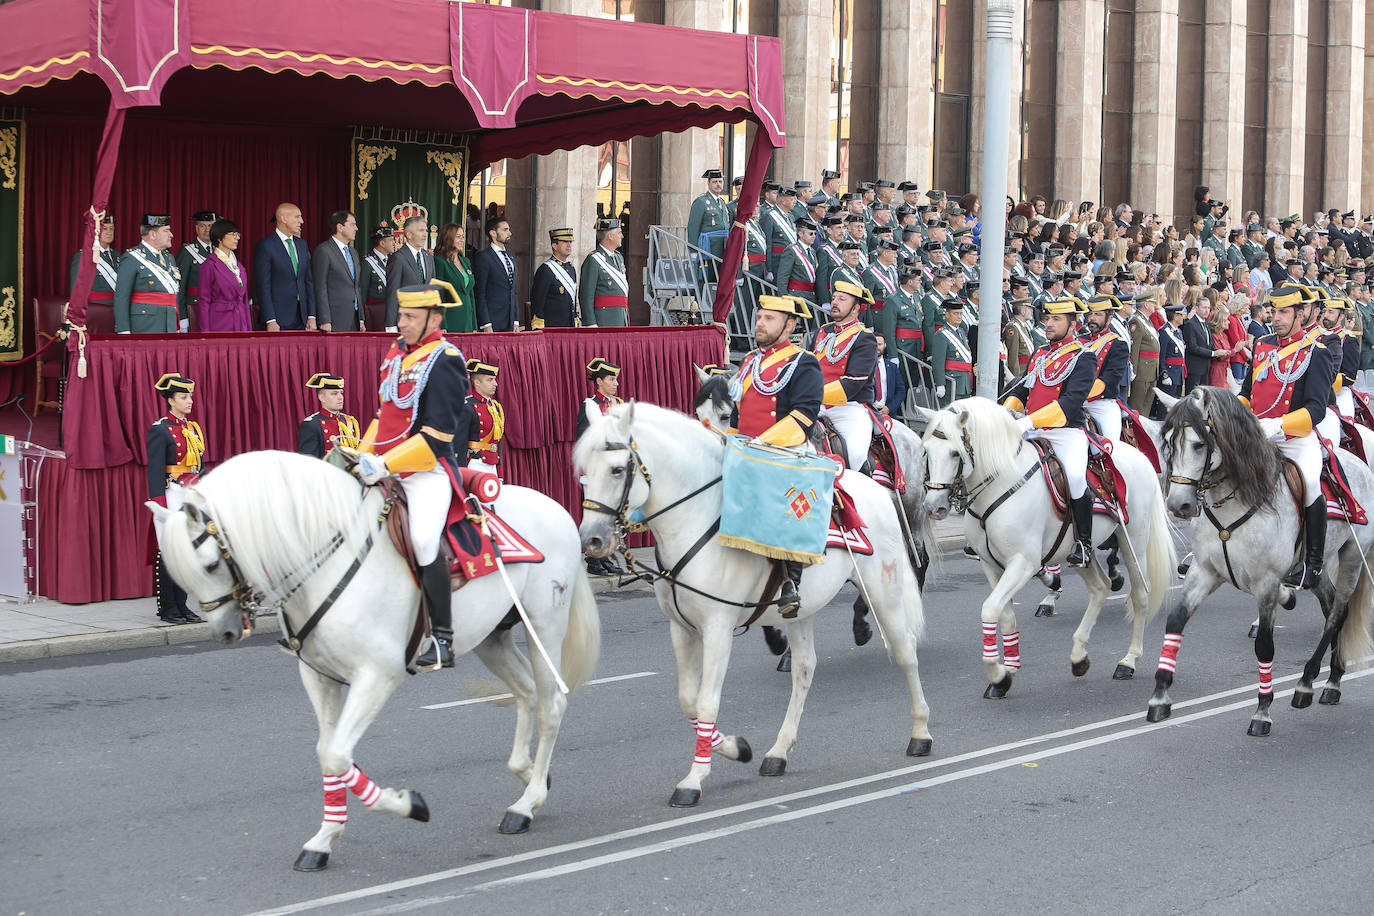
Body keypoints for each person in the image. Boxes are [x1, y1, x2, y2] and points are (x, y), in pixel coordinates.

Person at [353, 281, 469, 669]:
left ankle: (441, 638)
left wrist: (384, 464)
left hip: (425, 470)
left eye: (409, 317)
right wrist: (362, 455)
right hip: (383, 465)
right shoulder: (395, 353)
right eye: (400, 314)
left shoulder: (446, 358)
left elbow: (438, 436)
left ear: (434, 318)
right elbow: (383, 415)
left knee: (422, 540)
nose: (399, 322)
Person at [730, 295, 825, 616]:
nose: (760, 323)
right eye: (760, 317)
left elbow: (804, 416)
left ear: (789, 325)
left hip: (785, 448)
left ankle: (791, 580)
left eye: (769, 319)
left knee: (789, 496)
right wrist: (731, 443)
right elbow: (736, 412)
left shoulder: (803, 362)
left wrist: (762, 445)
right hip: (746, 447)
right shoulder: (749, 362)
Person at [1240, 285, 1335, 588]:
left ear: (1301, 313)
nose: (1275, 318)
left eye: (1283, 312)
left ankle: (1313, 564)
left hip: (1295, 437)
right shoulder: (1262, 346)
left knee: (1309, 483)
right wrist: (1234, 413)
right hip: (1258, 433)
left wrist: (1280, 425)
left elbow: (1317, 409)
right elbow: (1246, 394)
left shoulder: (1315, 352)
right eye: (1273, 311)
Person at [1002, 297, 1098, 567]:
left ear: (1072, 324)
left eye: (1056, 319)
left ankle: (1084, 543)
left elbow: (1069, 404)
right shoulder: (1041, 352)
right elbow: (1022, 388)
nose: (1048, 324)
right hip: (1031, 427)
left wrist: (1028, 422)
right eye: (1047, 319)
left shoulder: (1084, 357)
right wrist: (1007, 413)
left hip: (1065, 432)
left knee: (1076, 477)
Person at [147, 373, 205, 624]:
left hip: (189, 493)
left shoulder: (192, 428)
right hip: (170, 493)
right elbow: (155, 470)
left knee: (187, 551)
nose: (189, 401)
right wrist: (159, 503)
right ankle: (168, 607)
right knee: (169, 550)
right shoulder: (160, 429)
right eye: (183, 397)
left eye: (190, 396)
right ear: (170, 401)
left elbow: (198, 463)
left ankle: (182, 605)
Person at [812, 280, 878, 469]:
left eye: (842, 299)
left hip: (849, 408)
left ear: (856, 307)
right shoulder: (822, 332)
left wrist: (813, 393)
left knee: (855, 455)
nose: (834, 302)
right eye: (833, 298)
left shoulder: (865, 338)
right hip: (815, 403)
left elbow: (853, 382)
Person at [576, 357, 625, 576]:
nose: (616, 384)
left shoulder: (619, 404)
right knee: (595, 515)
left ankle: (605, 555)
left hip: (615, 469)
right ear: (598, 381)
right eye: (611, 379)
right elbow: (600, 432)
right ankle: (593, 558)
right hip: (596, 469)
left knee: (610, 516)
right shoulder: (591, 405)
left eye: (616, 379)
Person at [115, 214, 182, 334]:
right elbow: (121, 298)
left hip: (170, 323)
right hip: (146, 325)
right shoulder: (132, 258)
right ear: (152, 234)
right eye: (166, 231)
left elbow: (173, 294)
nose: (171, 235)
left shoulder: (169, 258)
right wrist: (123, 331)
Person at [253, 203, 316, 331]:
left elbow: (308, 282)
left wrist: (311, 315)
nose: (301, 221)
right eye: (297, 217)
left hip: (302, 316)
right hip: (278, 318)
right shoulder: (266, 246)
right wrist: (270, 319)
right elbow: (263, 286)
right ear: (283, 218)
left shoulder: (302, 244)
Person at [312, 209, 364, 332]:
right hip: (334, 319)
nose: (356, 228)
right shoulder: (324, 251)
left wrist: (361, 318)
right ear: (340, 227)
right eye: (352, 225)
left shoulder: (353, 252)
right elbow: (320, 287)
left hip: (354, 318)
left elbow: (357, 286)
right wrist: (325, 319)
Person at [196, 218, 252, 332]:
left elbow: (244, 301)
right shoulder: (209, 266)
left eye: (237, 234)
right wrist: (205, 332)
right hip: (220, 322)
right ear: (219, 238)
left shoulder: (239, 266)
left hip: (241, 322)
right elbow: (204, 301)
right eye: (233, 234)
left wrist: (248, 329)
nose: (237, 238)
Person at [385, 214, 434, 332]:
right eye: (421, 230)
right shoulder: (398, 258)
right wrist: (391, 326)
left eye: (426, 230)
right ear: (409, 235)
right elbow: (393, 293)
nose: (425, 234)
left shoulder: (428, 257)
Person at [578, 218, 631, 328]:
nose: (622, 236)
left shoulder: (619, 257)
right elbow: (586, 296)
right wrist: (590, 324)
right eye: (619, 233)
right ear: (610, 236)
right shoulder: (593, 260)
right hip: (603, 321)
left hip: (620, 319)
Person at [473, 216, 521, 332]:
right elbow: (480, 293)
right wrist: (485, 323)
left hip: (510, 323)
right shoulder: (483, 257)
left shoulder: (511, 256)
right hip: (492, 322)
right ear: (493, 233)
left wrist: (515, 321)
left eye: (508, 229)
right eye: (505, 230)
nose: (510, 233)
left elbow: (513, 291)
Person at [298, 372, 361, 459]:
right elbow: (309, 462)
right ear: (321, 397)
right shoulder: (311, 424)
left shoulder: (350, 421)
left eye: (341, 393)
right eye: (334, 393)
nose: (340, 397)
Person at [530, 227, 579, 328]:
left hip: (569, 325)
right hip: (552, 327)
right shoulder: (545, 270)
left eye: (570, 241)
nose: (569, 244)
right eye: (565, 242)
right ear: (554, 245)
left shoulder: (571, 268)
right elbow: (538, 303)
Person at [175, 210, 217, 332]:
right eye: (202, 226)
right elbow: (180, 287)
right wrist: (182, 317)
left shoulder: (220, 250)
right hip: (195, 308)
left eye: (210, 226)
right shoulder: (188, 252)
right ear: (196, 228)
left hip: (216, 309)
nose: (207, 229)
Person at [1320, 296, 1360, 418]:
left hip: (1339, 392)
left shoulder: (1348, 339)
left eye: (1331, 312)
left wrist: (1323, 380)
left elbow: (1350, 376)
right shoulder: (1316, 336)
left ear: (1341, 316)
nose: (1326, 315)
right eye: (1324, 312)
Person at [464, 358, 505, 476]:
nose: (495, 384)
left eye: (494, 380)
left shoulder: (495, 407)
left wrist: (499, 471)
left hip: (492, 463)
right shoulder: (467, 406)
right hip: (474, 463)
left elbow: (497, 442)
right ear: (477, 382)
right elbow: (459, 443)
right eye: (490, 380)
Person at [433, 223, 476, 333]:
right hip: (451, 321)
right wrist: (442, 325)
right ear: (448, 238)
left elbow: (470, 295)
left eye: (463, 236)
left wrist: (474, 325)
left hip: (468, 322)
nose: (462, 240)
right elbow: (438, 294)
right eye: (458, 236)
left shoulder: (465, 261)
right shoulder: (440, 261)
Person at [71, 213, 121, 306]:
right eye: (105, 228)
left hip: (117, 308)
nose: (109, 232)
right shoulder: (83, 256)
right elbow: (77, 291)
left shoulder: (117, 255)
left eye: (111, 228)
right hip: (96, 308)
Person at [686, 168, 731, 261]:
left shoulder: (722, 202)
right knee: (710, 274)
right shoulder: (701, 201)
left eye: (720, 181)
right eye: (714, 182)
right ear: (708, 183)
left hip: (724, 245)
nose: (718, 184)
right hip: (709, 247)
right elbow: (693, 226)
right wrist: (693, 250)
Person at [1128, 293, 1162, 415]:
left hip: (1151, 369)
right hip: (1142, 371)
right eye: (1153, 302)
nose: (1155, 306)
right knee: (1137, 404)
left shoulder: (1146, 321)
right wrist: (1134, 372)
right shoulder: (1136, 321)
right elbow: (1135, 350)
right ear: (1146, 304)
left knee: (1146, 405)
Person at [776, 217, 820, 306]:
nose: (814, 236)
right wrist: (784, 298)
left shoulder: (812, 252)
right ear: (800, 234)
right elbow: (782, 277)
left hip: (810, 297)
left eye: (815, 234)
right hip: (795, 296)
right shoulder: (791, 250)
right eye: (810, 234)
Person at [1182, 294, 1221, 393]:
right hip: (1194, 368)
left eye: (1208, 307)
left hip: (1205, 368)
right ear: (1196, 308)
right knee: (1192, 397)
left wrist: (1218, 351)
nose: (1207, 310)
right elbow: (1193, 347)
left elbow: (1209, 345)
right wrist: (1212, 353)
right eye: (1204, 307)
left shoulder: (1206, 324)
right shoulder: (1190, 324)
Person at [362, 223, 396, 330]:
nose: (393, 243)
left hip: (391, 313)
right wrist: (361, 319)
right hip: (374, 314)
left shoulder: (393, 261)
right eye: (390, 240)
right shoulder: (368, 263)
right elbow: (362, 293)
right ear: (382, 243)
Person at [873, 335, 907, 417]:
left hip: (888, 414)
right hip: (868, 412)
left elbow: (901, 391)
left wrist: (889, 408)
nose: (877, 347)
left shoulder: (892, 367)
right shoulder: (861, 366)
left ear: (885, 345)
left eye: (879, 344)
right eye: (874, 344)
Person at [1003, 297, 1037, 381]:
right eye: (1029, 308)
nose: (1032, 311)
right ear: (1023, 311)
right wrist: (1015, 378)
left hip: (1027, 369)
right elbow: (1013, 356)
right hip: (1021, 372)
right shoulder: (1013, 327)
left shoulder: (1022, 326)